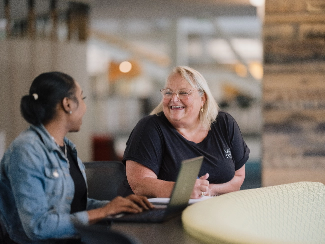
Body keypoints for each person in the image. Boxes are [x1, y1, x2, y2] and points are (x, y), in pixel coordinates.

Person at [0, 72, 153, 244]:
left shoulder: (67, 148)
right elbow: (38, 227)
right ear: (68, 104)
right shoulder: (26, 151)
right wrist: (104, 212)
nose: (85, 107)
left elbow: (74, 205)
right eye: (82, 98)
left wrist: (118, 206)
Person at [123, 66, 250, 199]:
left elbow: (238, 176)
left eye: (183, 92)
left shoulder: (224, 123)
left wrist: (208, 190)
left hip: (215, 212)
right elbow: (140, 184)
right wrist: (182, 190)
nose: (174, 99)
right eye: (168, 92)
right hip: (164, 215)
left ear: (203, 99)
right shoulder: (150, 127)